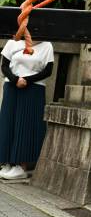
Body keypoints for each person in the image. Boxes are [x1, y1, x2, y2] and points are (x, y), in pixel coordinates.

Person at [0, 38, 54, 181]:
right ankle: (6, 162)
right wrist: (15, 79)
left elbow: (48, 71)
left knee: (26, 124)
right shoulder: (13, 42)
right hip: (11, 85)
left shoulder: (47, 45)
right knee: (8, 122)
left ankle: (21, 166)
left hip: (34, 88)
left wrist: (26, 80)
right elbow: (4, 66)